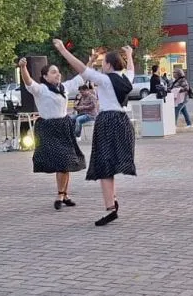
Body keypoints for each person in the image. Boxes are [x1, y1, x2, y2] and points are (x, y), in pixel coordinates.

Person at [53, 39, 136, 227]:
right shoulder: (125, 79)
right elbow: (131, 69)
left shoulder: (105, 80)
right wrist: (129, 54)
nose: (102, 65)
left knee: (103, 166)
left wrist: (62, 50)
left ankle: (110, 208)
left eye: (104, 62)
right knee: (111, 164)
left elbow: (81, 68)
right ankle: (112, 201)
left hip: (107, 121)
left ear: (108, 64)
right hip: (123, 122)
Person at [19, 57, 88, 210]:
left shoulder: (64, 87)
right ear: (45, 76)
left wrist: (92, 60)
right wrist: (23, 68)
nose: (58, 74)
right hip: (48, 127)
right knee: (59, 162)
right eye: (53, 72)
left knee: (66, 161)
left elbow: (81, 76)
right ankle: (63, 193)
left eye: (58, 72)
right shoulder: (41, 89)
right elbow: (28, 82)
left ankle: (62, 194)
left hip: (63, 126)